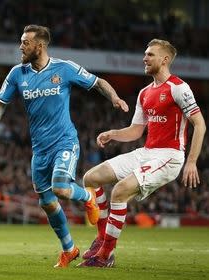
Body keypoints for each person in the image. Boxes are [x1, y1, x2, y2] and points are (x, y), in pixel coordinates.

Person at [0, 25, 129, 268]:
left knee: (60, 188)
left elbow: (98, 82)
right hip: (39, 150)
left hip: (65, 141)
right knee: (47, 203)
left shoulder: (65, 68)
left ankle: (88, 196)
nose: (21, 46)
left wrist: (113, 97)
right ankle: (69, 249)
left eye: (25, 42)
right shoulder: (17, 74)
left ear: (39, 46)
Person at [78, 39, 206, 268]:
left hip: (169, 155)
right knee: (90, 178)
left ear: (164, 60)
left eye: (150, 55)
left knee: (119, 191)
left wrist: (192, 161)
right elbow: (137, 130)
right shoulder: (145, 92)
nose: (144, 59)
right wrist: (113, 133)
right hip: (146, 151)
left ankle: (106, 255)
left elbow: (200, 124)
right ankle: (101, 238)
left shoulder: (179, 87)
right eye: (145, 54)